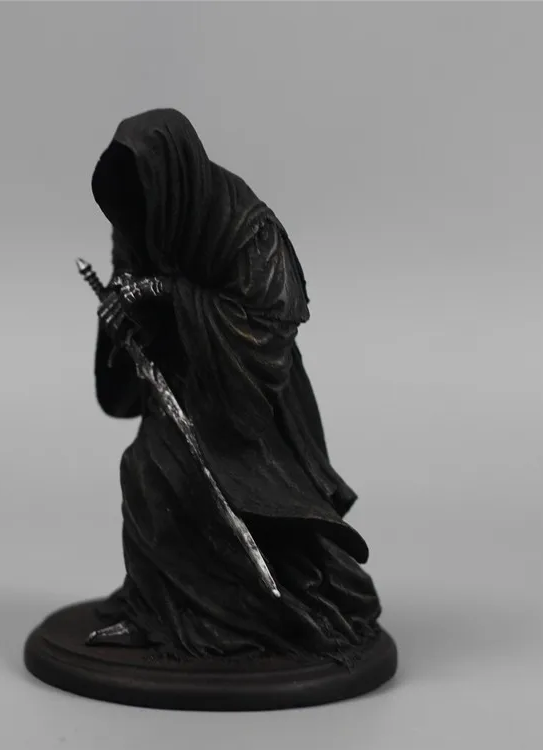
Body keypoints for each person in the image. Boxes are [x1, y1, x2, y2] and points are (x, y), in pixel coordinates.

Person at [87, 109, 382, 663]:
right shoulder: (139, 216)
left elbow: (269, 321)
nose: (134, 218)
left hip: (247, 394)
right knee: (145, 473)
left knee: (212, 490)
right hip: (180, 379)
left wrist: (171, 294)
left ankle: (249, 615)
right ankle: (159, 608)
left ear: (169, 180)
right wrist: (123, 312)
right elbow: (132, 283)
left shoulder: (247, 228)